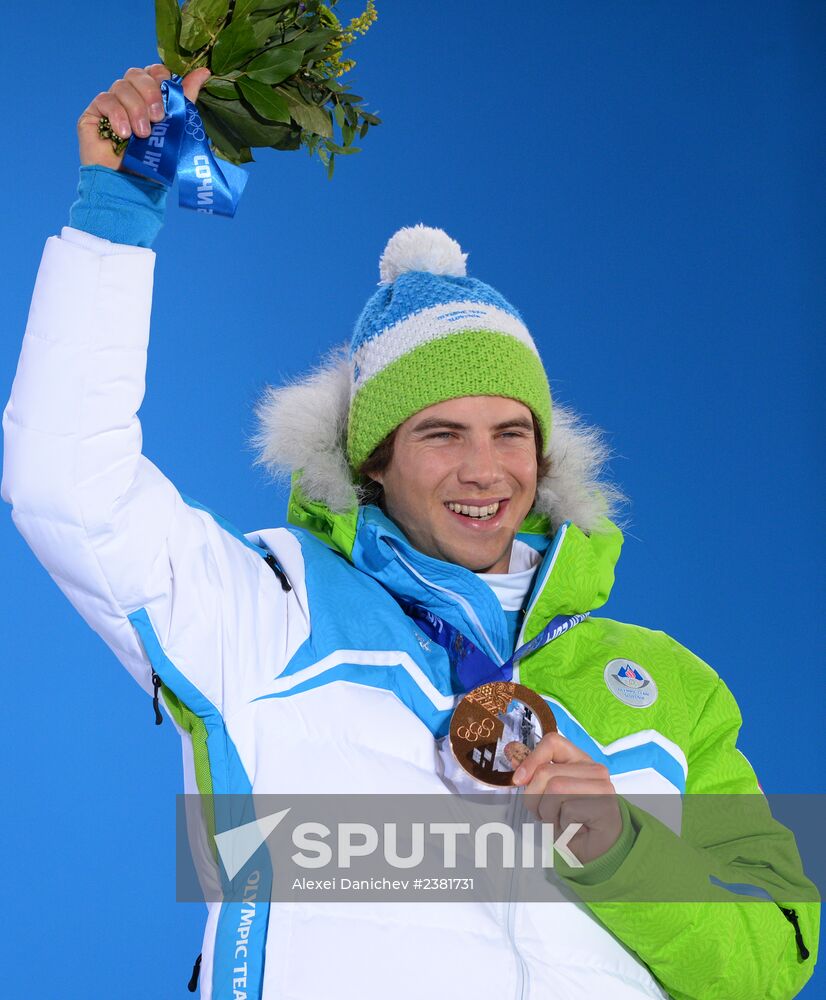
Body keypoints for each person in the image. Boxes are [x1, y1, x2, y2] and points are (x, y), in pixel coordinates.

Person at [2, 64, 818, 1000]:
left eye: (513, 434)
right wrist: (117, 206)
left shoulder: (667, 685)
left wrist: (621, 847)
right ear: (371, 462)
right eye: (441, 435)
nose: (485, 471)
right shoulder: (270, 606)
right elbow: (67, 481)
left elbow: (775, 954)